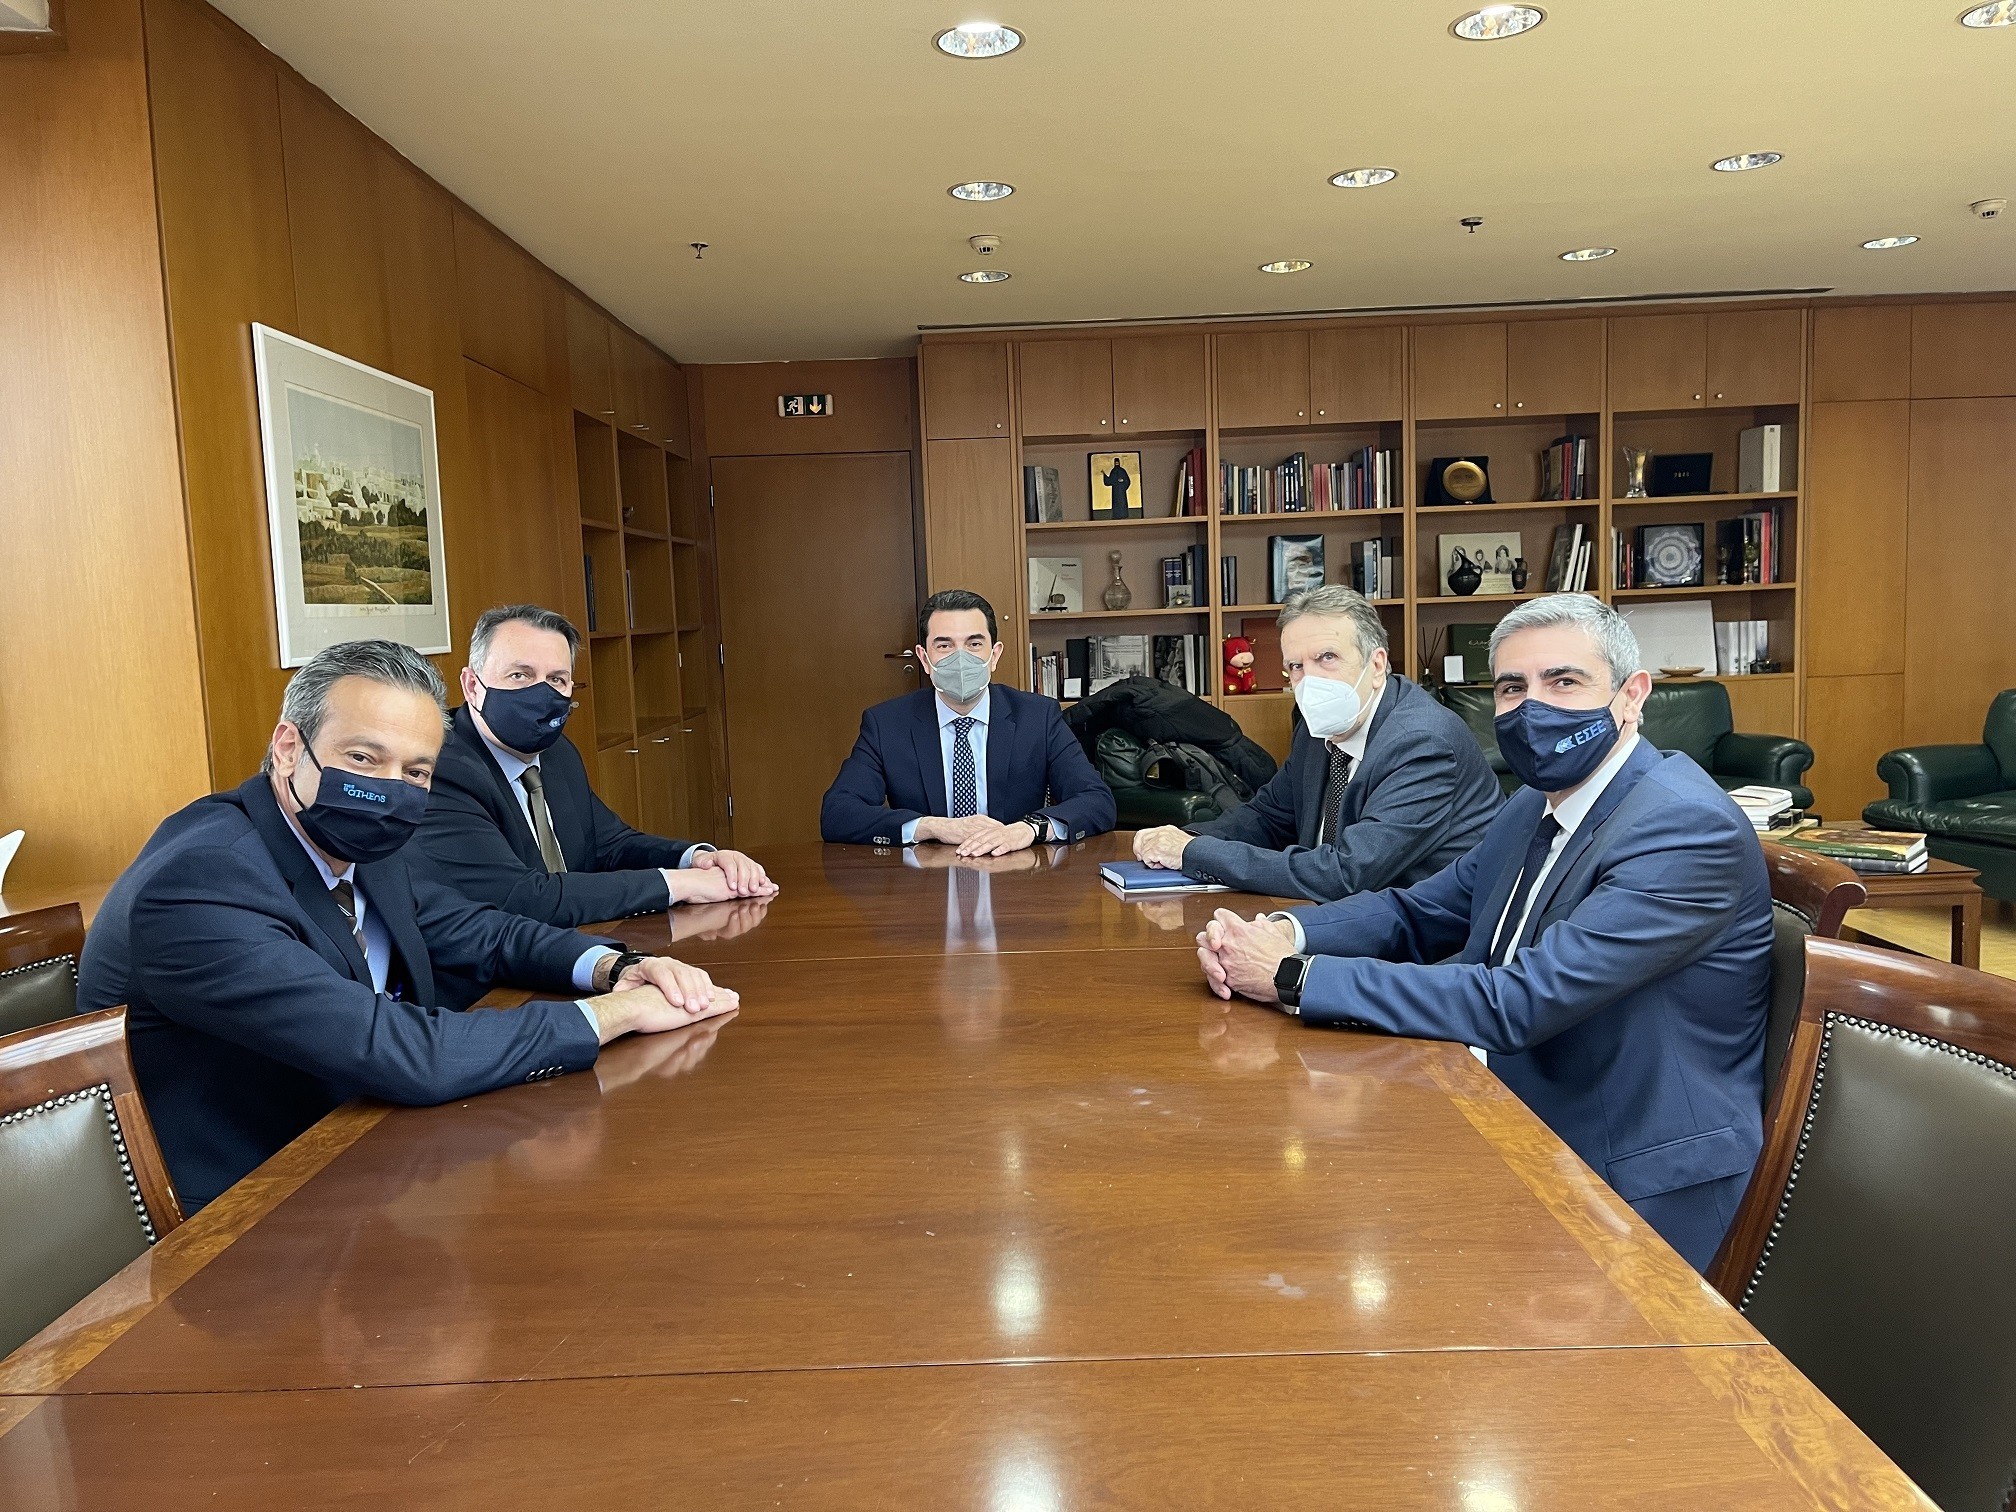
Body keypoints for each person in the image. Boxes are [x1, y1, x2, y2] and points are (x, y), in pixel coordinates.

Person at [1194, 593, 1773, 1271]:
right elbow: (1422, 911)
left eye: (1564, 681)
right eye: (1511, 687)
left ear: (1631, 695)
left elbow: (1519, 1000)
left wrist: (1293, 976)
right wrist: (1281, 931)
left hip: (1628, 1171)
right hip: (1509, 1100)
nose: (1534, 708)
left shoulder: (1682, 828)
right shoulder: (1534, 802)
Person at [78, 639, 739, 1211]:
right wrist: (617, 1015)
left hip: (364, 1148)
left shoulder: (358, 841)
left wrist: (616, 968)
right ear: (288, 748)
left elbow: (480, 930)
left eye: (415, 771)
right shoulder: (203, 880)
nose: (390, 790)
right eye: (364, 759)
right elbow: (395, 1050)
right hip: (246, 1206)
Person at [413, 604, 773, 929]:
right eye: (520, 675)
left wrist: (697, 860)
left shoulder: (557, 753)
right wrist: (681, 885)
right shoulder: (439, 769)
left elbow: (610, 845)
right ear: (472, 686)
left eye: (556, 679)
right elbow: (522, 898)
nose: (541, 694)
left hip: (576, 946)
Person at [1135, 586, 1499, 901]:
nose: (1309, 682)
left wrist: (1195, 853)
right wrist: (1182, 838)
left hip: (1424, 933)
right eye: (1296, 666)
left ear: (1377, 666)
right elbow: (1269, 817)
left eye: (1327, 657)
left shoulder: (1422, 742)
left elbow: (1347, 873)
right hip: (1340, 911)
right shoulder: (1317, 726)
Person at [820, 589, 1116, 853]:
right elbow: (838, 813)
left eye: (974, 644)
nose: (960, 659)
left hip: (1015, 876)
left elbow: (1096, 800)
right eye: (944, 646)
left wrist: (1029, 829)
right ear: (924, 659)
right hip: (925, 882)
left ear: (994, 655)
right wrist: (931, 827)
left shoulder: (1037, 717)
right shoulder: (886, 724)